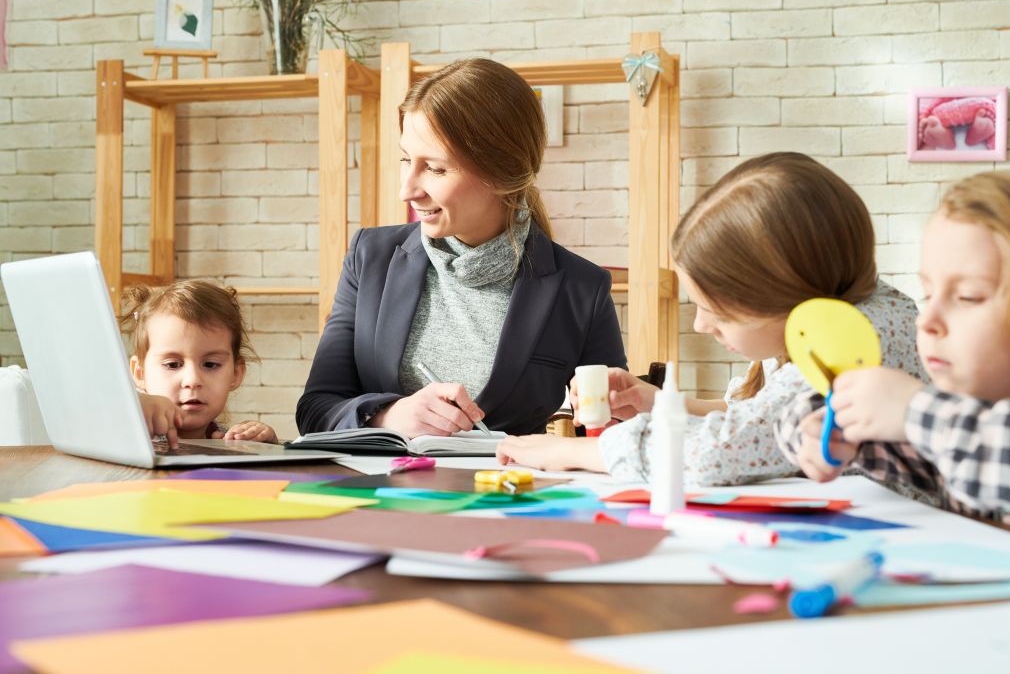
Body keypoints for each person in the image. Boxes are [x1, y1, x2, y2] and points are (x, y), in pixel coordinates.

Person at [497, 152, 925, 483]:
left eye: (715, 310)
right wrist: (658, 404)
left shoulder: (855, 340)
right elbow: (761, 419)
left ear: (782, 293)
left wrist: (570, 454)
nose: (702, 325)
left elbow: (720, 451)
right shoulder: (842, 315)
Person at [297, 58, 626, 439]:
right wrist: (388, 416)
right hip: (377, 494)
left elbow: (613, 433)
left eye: (435, 169)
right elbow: (316, 410)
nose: (408, 189)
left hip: (505, 497)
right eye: (406, 160)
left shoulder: (581, 288)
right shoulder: (370, 257)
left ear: (501, 173)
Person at [779, 168, 1010, 540]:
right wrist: (824, 425)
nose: (927, 320)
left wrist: (916, 412)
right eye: (928, 294)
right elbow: (800, 422)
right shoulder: (964, 424)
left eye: (968, 297)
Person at [121, 280, 278, 449]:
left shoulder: (227, 440)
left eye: (210, 364)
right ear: (139, 373)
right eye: (173, 364)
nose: (192, 380)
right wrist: (131, 412)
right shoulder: (126, 430)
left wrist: (266, 445)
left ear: (235, 373)